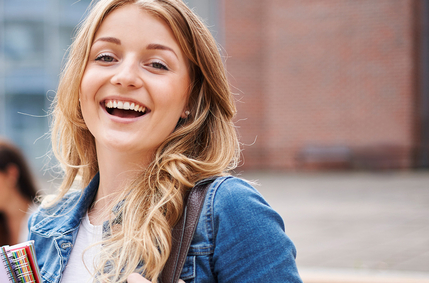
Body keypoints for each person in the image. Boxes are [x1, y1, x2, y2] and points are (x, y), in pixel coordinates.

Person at [27, 0, 302, 282]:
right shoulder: (44, 225)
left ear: (191, 99)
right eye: (106, 57)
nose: (125, 77)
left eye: (157, 64)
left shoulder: (229, 210)